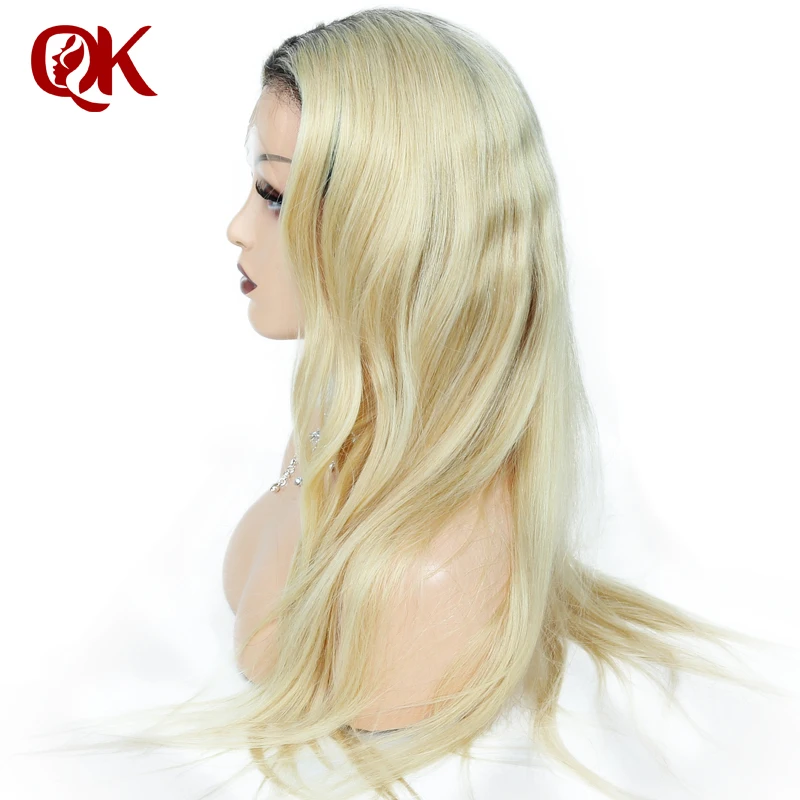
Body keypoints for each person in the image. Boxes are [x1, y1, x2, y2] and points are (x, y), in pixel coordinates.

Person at [36, 9, 785, 800]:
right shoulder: (326, 430)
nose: (237, 227)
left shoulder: (428, 582)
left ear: (390, 230)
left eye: (274, 195)